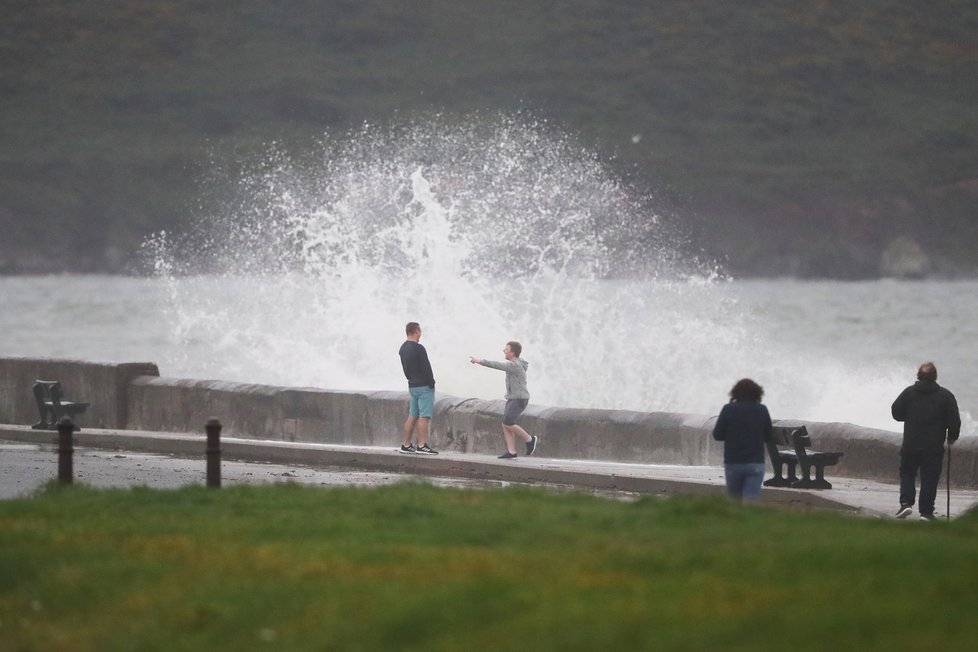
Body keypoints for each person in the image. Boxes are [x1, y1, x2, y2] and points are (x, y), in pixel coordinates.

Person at [891, 361, 960, 520]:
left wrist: (909, 415)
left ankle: (906, 503)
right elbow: (954, 422)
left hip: (910, 444)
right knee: (930, 477)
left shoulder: (908, 393)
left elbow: (896, 413)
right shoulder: (945, 396)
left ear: (919, 376)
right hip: (933, 447)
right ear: (935, 376)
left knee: (907, 473)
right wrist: (952, 437)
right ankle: (926, 513)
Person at [470, 341, 538, 459]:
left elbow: (497, 365)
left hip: (519, 398)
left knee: (508, 422)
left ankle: (530, 439)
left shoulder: (515, 365)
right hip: (512, 398)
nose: (503, 351)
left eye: (506, 349)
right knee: (505, 424)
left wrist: (479, 361)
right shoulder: (514, 363)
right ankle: (512, 452)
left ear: (512, 353)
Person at [712, 378, 773, 502]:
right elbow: (769, 436)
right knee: (751, 500)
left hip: (734, 463)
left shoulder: (728, 409)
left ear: (735, 393)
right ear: (758, 393)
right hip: (755, 463)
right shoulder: (762, 410)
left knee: (734, 501)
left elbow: (717, 434)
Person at [397, 322, 438, 455]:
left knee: (412, 415)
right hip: (424, 386)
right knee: (424, 416)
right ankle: (421, 445)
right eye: (419, 331)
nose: (420, 334)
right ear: (416, 331)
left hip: (412, 385)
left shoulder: (402, 348)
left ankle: (406, 444)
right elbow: (426, 367)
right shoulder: (419, 348)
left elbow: (405, 368)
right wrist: (431, 382)